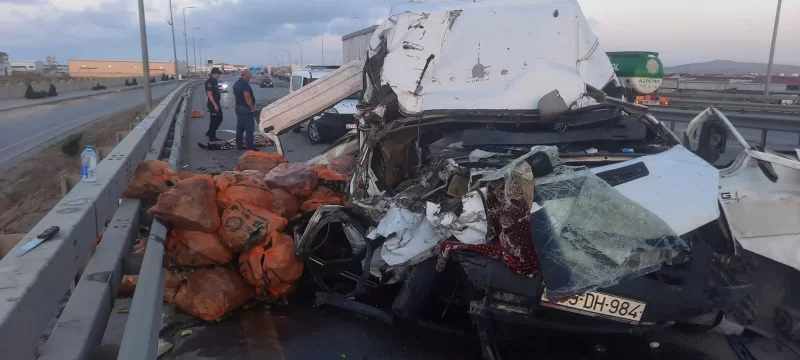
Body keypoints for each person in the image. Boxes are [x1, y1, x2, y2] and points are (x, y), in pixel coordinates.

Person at [233, 69, 257, 150]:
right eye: (249, 77)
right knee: (249, 128)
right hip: (245, 109)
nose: (250, 78)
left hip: (238, 107)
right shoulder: (245, 84)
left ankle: (239, 145)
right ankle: (250, 147)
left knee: (240, 127)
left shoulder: (236, 84)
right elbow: (247, 96)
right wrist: (252, 108)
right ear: (245, 76)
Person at [204, 68, 223, 141]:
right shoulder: (209, 82)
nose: (219, 76)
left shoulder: (215, 81)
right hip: (212, 104)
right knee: (216, 120)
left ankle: (211, 134)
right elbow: (210, 95)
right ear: (214, 74)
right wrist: (215, 105)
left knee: (217, 119)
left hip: (216, 103)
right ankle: (211, 134)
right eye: (218, 74)